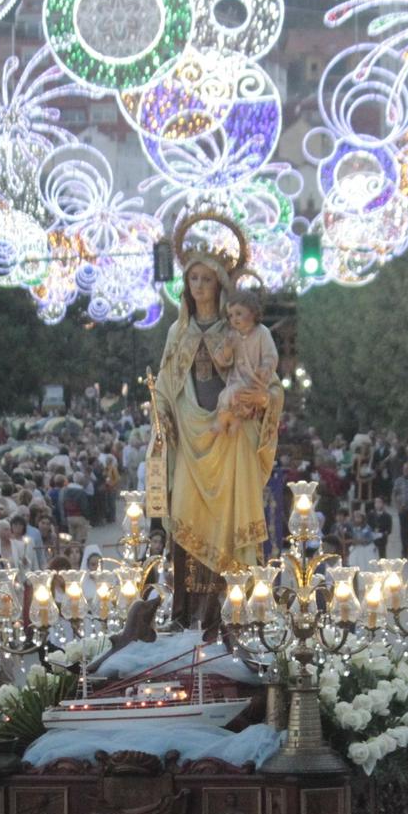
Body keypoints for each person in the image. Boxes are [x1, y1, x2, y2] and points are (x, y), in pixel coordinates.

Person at [148, 243, 283, 624]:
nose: (199, 286)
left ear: (220, 286)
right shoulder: (179, 331)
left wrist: (262, 397)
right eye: (193, 278)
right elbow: (164, 382)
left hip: (230, 439)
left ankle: (230, 612)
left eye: (207, 279)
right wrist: (161, 414)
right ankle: (189, 613)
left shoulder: (238, 328)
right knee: (186, 516)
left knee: (227, 528)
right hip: (190, 440)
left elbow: (270, 384)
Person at [203, 286, 279, 436]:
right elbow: (222, 361)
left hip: (255, 380)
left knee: (234, 396)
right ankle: (233, 421)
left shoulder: (262, 333)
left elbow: (271, 355)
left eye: (238, 313)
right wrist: (227, 350)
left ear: (252, 312)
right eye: (230, 315)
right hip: (237, 378)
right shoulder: (232, 336)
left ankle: (223, 421)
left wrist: (265, 368)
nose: (234, 319)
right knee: (230, 396)